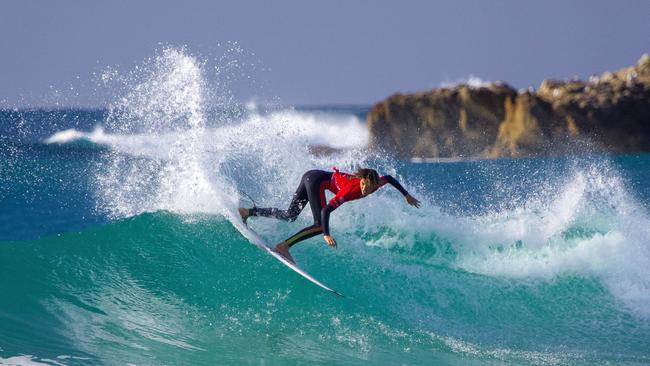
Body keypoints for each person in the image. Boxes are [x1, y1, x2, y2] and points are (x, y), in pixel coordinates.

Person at [238, 167, 421, 263]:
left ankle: (248, 212)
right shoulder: (350, 190)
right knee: (319, 225)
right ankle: (283, 246)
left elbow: (389, 178)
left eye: (369, 187)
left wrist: (406, 195)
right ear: (362, 180)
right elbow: (326, 210)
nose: (365, 190)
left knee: (290, 214)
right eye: (364, 185)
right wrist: (326, 233)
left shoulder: (376, 183)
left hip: (311, 175)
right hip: (315, 181)